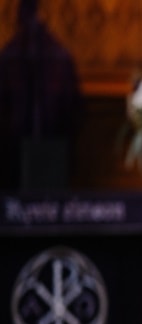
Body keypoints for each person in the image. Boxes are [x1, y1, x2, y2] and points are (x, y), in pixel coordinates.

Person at [0, 0, 81, 191]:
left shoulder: (58, 56)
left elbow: (73, 107)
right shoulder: (10, 56)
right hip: (16, 148)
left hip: (52, 143)